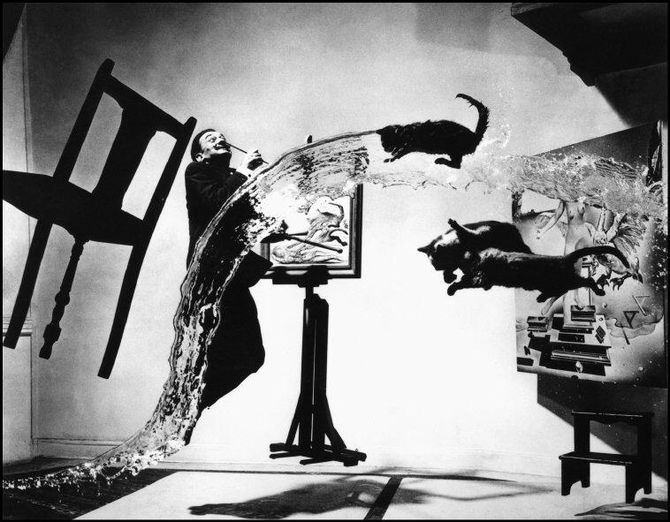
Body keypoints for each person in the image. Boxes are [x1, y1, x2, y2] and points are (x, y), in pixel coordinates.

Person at [185, 128, 273, 413]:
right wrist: (245, 172)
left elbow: (244, 221)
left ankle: (194, 405)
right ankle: (190, 405)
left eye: (221, 136)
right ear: (201, 155)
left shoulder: (235, 178)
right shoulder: (196, 171)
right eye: (211, 139)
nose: (219, 138)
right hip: (210, 273)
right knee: (223, 351)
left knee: (252, 356)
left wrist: (271, 228)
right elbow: (217, 204)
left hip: (229, 273)